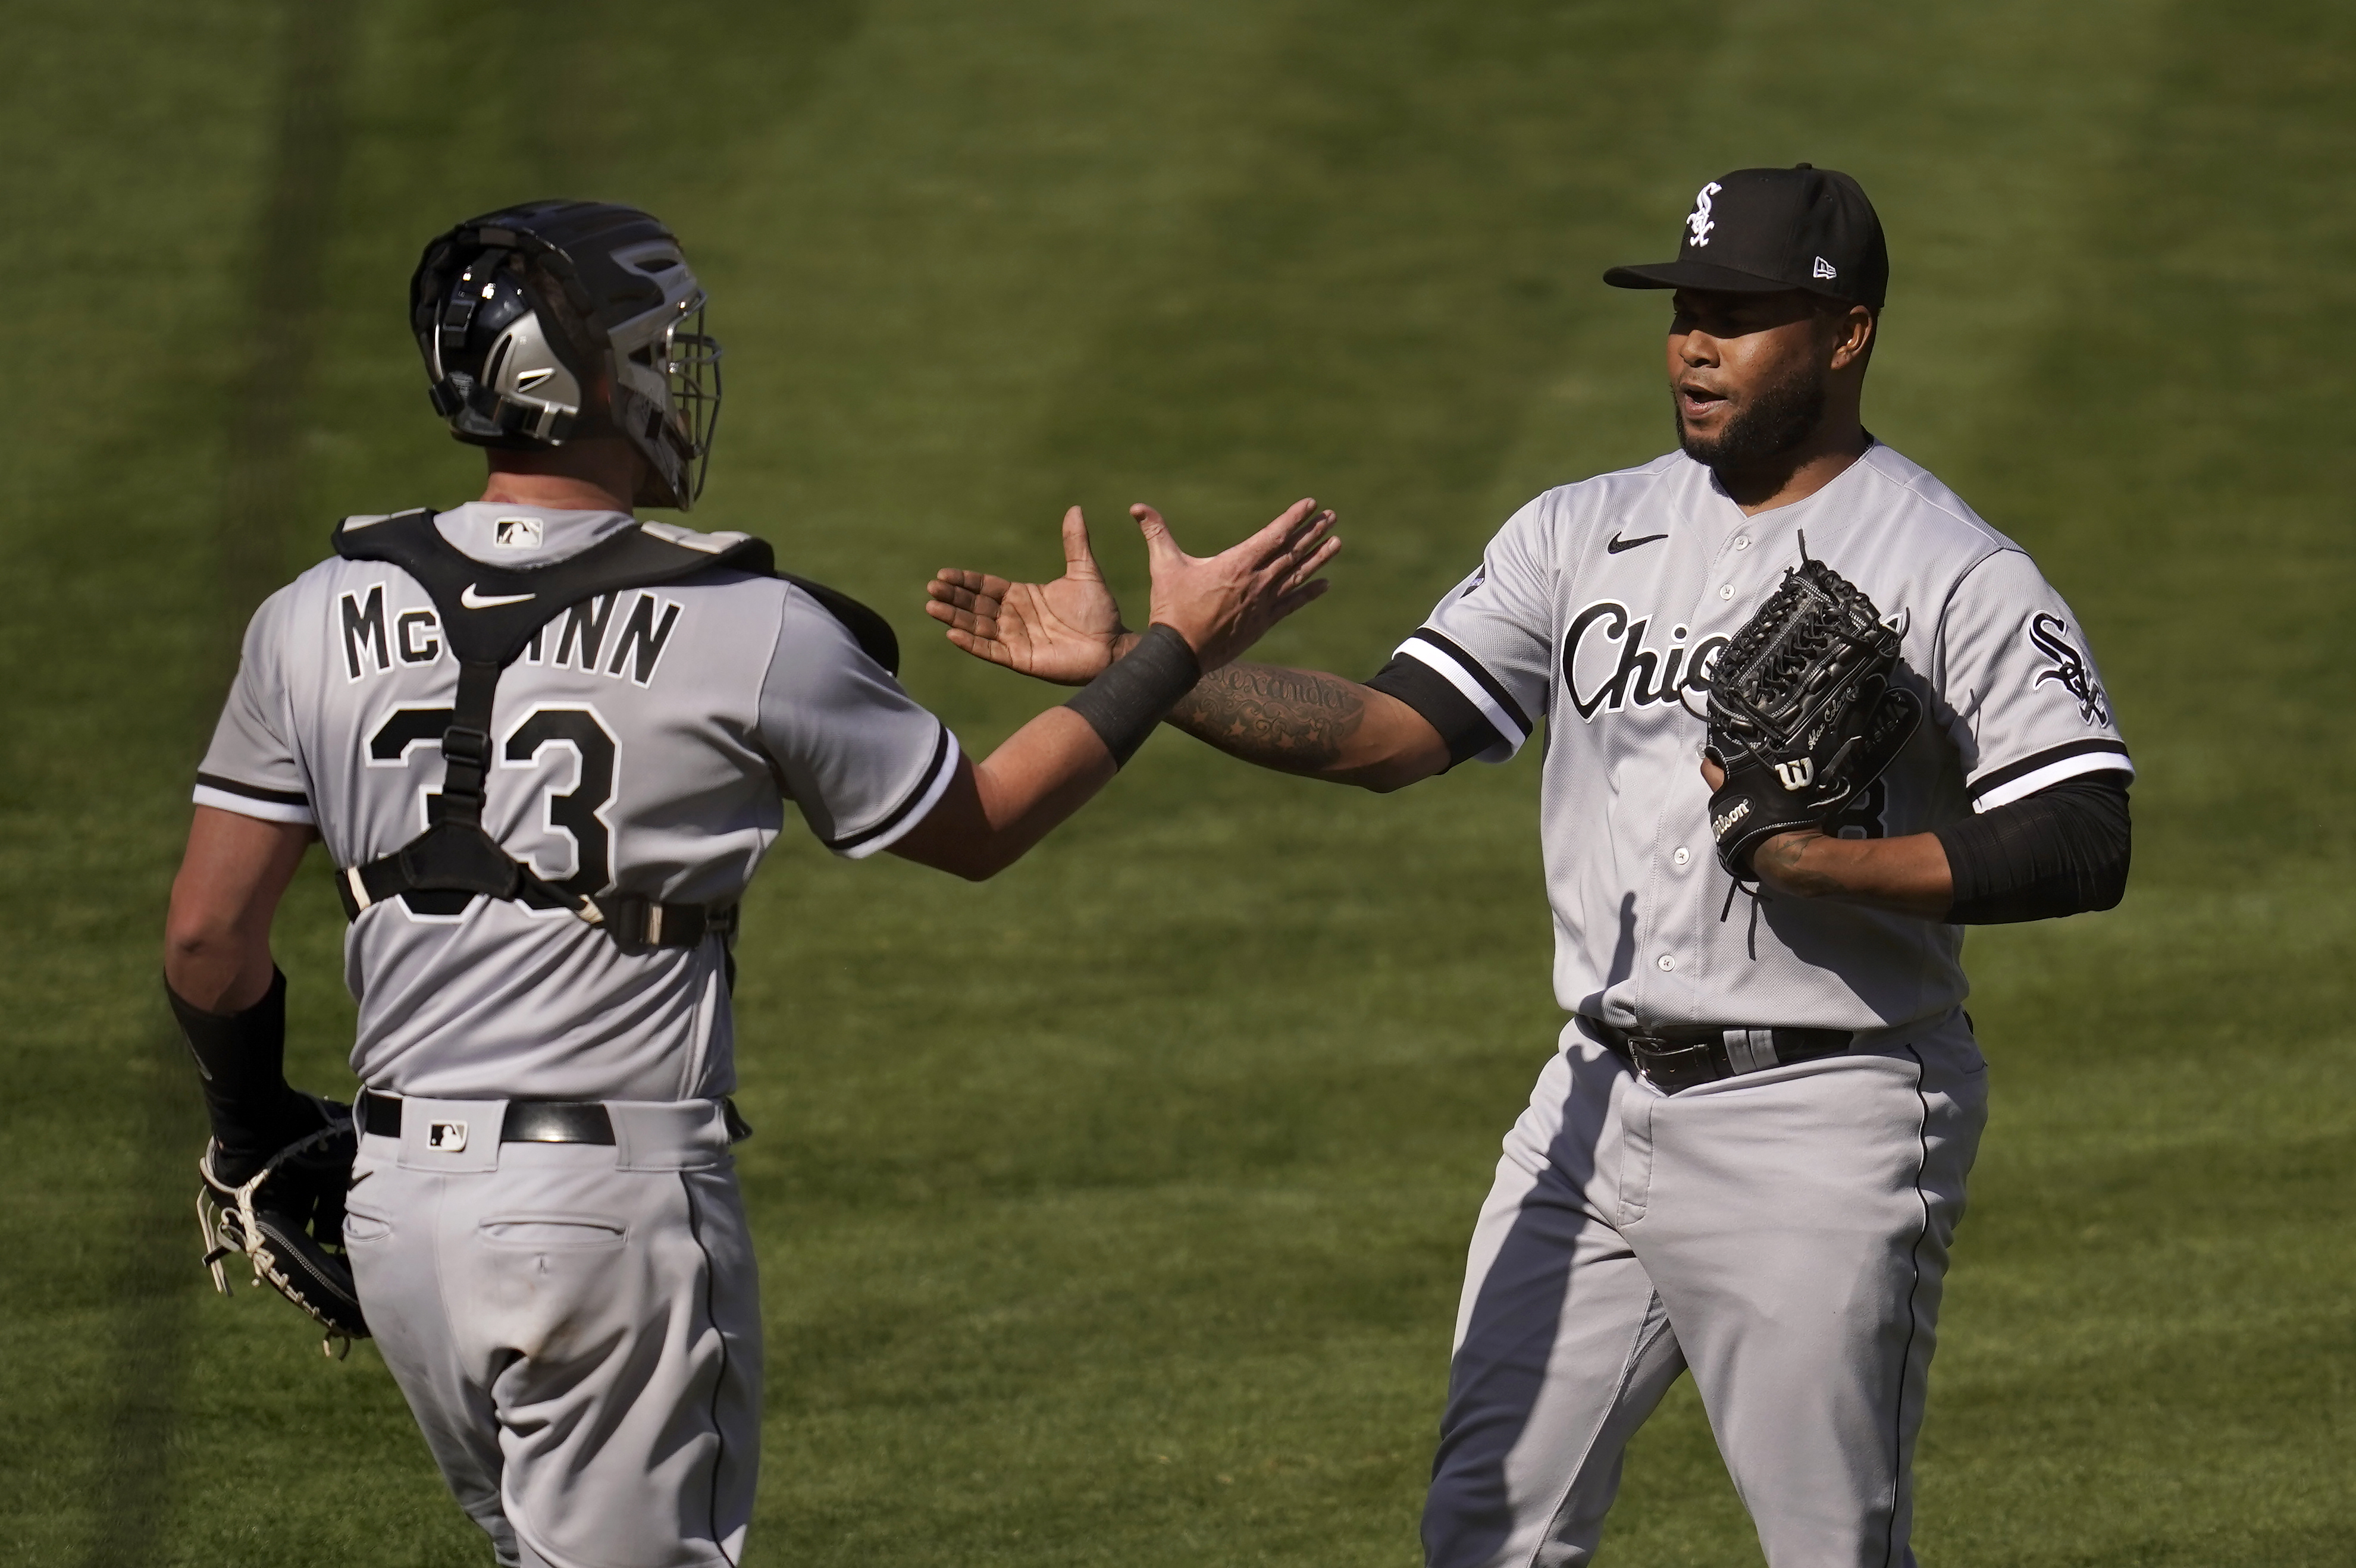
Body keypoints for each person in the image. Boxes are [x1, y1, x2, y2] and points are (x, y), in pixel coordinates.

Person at [924, 164, 2133, 1567]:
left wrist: (1828, 866)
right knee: (1484, 1536)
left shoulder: (1948, 565)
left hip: (1825, 1118)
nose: (1694, 343)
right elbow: (1393, 733)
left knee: (1831, 1552)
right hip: (1589, 1109)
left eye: (1737, 314)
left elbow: (2083, 830)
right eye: (1684, 308)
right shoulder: (1578, 530)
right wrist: (1152, 670)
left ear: (1846, 334)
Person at [161, 197, 1337, 1568]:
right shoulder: (748, 627)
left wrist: (249, 1132)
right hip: (605, 1221)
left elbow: (205, 941)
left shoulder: (310, 613)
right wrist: (1171, 649)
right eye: (656, 349)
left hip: (397, 1215)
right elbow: (982, 824)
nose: (674, 376)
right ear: (581, 379)